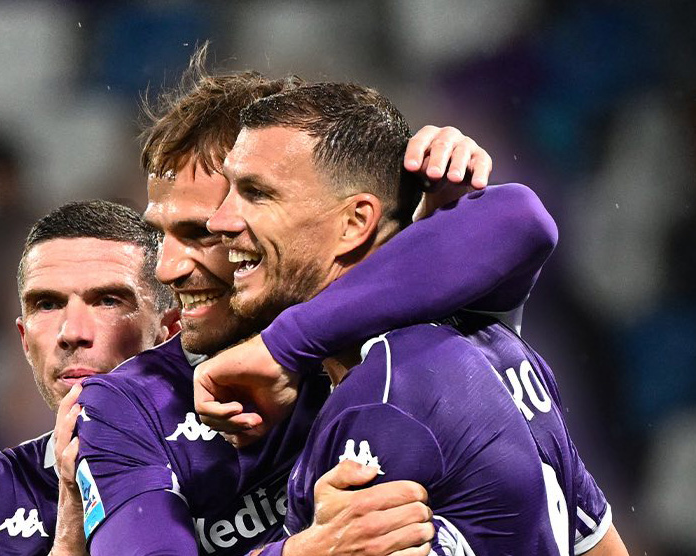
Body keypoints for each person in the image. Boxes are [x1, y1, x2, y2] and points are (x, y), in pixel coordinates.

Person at [70, 49, 559, 555]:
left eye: (202, 232)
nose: (167, 269)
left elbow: (519, 218)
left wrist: (438, 213)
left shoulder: (410, 345)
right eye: (161, 235)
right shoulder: (126, 406)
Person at [200, 82, 628, 554]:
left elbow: (522, 216)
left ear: (355, 222)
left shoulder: (382, 398)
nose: (219, 222)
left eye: (256, 193)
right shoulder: (494, 342)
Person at [0, 200, 179, 555]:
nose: (72, 332)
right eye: (48, 304)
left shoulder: (228, 467)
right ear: (25, 341)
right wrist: (68, 541)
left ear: (169, 332)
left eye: (108, 301)